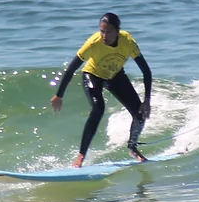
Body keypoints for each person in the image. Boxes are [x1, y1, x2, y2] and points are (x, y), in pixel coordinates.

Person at [50, 12, 152, 167]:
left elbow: (146, 71)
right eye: (102, 31)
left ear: (117, 31)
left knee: (140, 114)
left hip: (115, 75)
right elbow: (71, 69)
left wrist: (147, 100)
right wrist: (59, 95)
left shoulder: (128, 42)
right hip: (93, 75)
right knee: (98, 108)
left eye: (108, 32)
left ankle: (132, 148)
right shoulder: (93, 43)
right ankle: (81, 156)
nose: (104, 35)